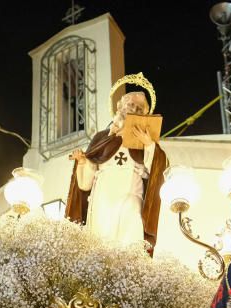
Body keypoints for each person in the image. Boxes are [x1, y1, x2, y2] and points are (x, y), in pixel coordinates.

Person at [65, 90, 168, 251]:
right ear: (120, 107)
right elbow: (85, 184)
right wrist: (83, 161)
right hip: (103, 193)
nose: (134, 108)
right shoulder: (102, 137)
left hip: (131, 190)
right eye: (131, 104)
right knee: (101, 236)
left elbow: (157, 169)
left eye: (140, 107)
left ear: (145, 113)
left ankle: (130, 265)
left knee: (132, 219)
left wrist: (149, 145)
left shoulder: (146, 139)